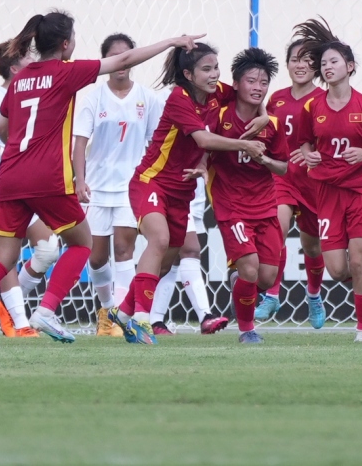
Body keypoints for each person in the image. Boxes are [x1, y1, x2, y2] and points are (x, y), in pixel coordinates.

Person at [0, 12, 203, 347]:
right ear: (65, 43)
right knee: (83, 243)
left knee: (2, 258)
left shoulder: (20, 79)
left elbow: (3, 130)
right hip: (47, 176)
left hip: (8, 176)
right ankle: (47, 310)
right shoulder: (66, 72)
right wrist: (171, 41)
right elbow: (122, 59)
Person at [109, 42, 266, 344]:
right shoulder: (178, 99)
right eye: (206, 69)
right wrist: (245, 144)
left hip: (182, 189)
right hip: (151, 180)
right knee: (160, 240)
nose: (214, 75)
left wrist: (262, 112)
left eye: (216, 68)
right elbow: (204, 140)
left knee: (167, 261)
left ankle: (124, 311)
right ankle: (142, 319)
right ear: (188, 74)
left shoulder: (216, 92)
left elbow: (248, 94)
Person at [292, 18, 362, 343]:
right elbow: (304, 142)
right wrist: (308, 154)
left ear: (350, 67)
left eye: (334, 61)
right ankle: (358, 288)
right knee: (339, 270)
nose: (327, 67)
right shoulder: (312, 106)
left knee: (358, 259)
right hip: (325, 192)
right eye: (323, 63)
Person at [72, 34, 162, 337]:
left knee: (124, 249)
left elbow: (156, 144)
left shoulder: (148, 98)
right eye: (114, 56)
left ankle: (123, 318)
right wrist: (79, 179)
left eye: (127, 55)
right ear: (107, 61)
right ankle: (107, 310)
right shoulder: (93, 97)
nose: (122, 63)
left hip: (130, 188)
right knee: (96, 256)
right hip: (95, 188)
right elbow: (80, 143)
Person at [205, 48, 289, 343]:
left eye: (263, 82)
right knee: (251, 269)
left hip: (265, 206)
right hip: (232, 206)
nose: (257, 87)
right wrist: (201, 169)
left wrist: (265, 161)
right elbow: (202, 146)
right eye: (251, 81)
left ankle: (240, 284)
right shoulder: (220, 117)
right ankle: (247, 330)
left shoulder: (273, 125)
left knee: (265, 278)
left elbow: (284, 167)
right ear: (236, 84)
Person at [0, 42, 52, 338]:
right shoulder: (0, 96)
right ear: (15, 69)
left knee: (48, 248)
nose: (35, 61)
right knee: (7, 253)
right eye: (30, 58)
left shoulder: (25, 92)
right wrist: (4, 152)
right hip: (0, 181)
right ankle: (20, 324)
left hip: (23, 179)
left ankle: (5, 303)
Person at [262, 39, 327, 327]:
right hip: (282, 177)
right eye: (294, 59)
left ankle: (313, 295)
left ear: (316, 66)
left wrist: (315, 154)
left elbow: (334, 140)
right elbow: (266, 133)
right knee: (276, 229)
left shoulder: (324, 101)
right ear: (286, 64)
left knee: (312, 248)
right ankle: (272, 295)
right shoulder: (276, 99)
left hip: (313, 182)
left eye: (306, 59)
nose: (300, 65)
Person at [148, 180, 221, 336]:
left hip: (195, 191)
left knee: (172, 257)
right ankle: (205, 316)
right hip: (172, 187)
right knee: (190, 250)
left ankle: (154, 320)